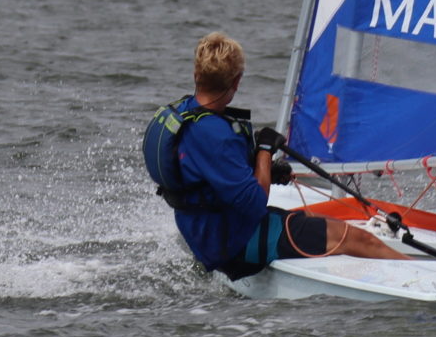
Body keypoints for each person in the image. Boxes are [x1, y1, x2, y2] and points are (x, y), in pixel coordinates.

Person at [144, 31, 406, 280]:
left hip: (203, 232)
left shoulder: (184, 113)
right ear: (237, 81)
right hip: (234, 244)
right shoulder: (215, 134)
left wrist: (266, 168)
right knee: (359, 238)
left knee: (319, 222)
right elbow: (255, 203)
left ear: (196, 74)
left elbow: (207, 171)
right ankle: (426, 282)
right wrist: (265, 152)